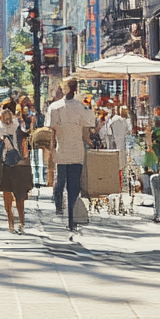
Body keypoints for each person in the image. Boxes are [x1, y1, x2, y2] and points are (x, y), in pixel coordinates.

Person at [47, 78, 96, 230]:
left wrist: (50, 151)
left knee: (60, 180)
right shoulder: (82, 108)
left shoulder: (54, 107)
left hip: (61, 149)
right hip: (76, 150)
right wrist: (89, 142)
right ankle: (72, 217)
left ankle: (59, 207)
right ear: (76, 89)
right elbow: (87, 128)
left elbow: (51, 131)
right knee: (74, 184)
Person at [0, 100, 31, 234]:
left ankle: (11, 223)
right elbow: (25, 142)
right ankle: (21, 223)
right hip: (21, 164)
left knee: (7, 193)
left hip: (6, 163)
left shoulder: (0, 126)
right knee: (20, 196)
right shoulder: (20, 124)